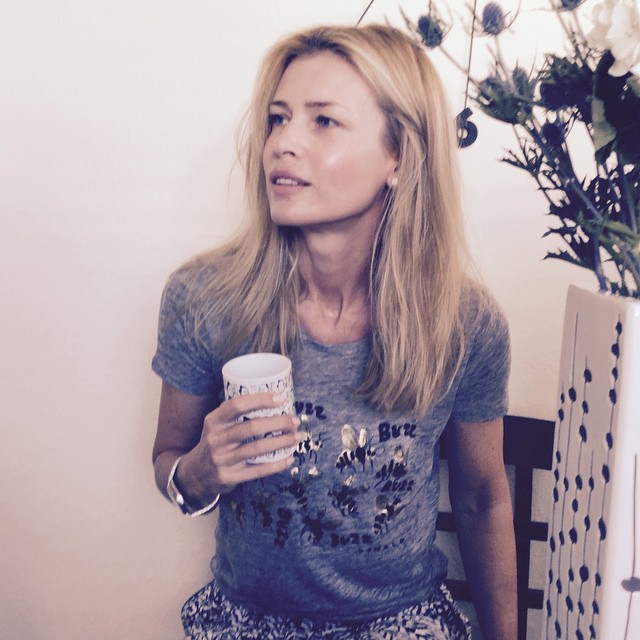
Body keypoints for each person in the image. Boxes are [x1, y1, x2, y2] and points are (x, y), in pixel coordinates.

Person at [151, 23, 516, 640]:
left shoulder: (466, 323)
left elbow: (483, 498)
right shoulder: (204, 298)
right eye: (278, 119)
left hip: (401, 621)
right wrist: (199, 473)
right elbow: (168, 460)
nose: (282, 144)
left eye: (323, 121)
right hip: (247, 621)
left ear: (400, 155)